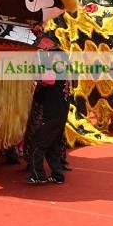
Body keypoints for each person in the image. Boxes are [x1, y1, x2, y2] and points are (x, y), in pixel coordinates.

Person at [26, 51, 71, 185]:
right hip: (60, 116)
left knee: (37, 144)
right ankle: (58, 176)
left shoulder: (55, 73)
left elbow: (40, 79)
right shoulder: (65, 74)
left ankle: (38, 175)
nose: (53, 61)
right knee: (52, 147)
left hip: (53, 116)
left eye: (56, 59)